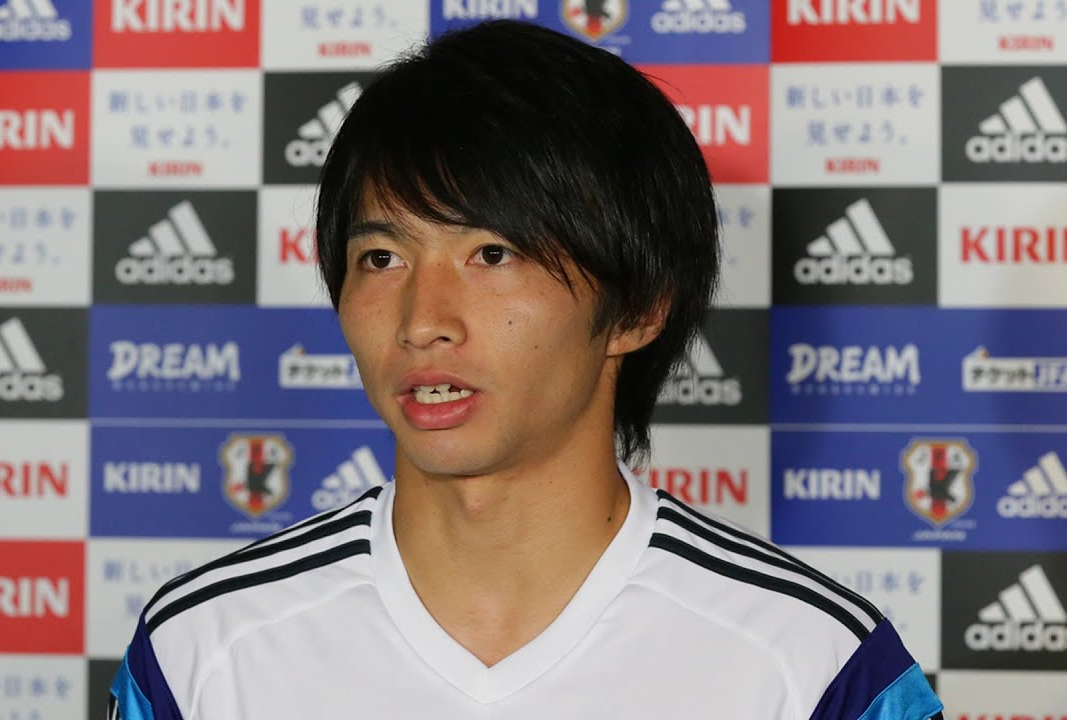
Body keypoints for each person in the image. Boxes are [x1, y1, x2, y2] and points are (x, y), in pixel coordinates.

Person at [108, 20, 944, 719]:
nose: (423, 321)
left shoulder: (818, 668)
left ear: (638, 308)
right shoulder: (200, 652)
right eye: (382, 257)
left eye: (492, 253)